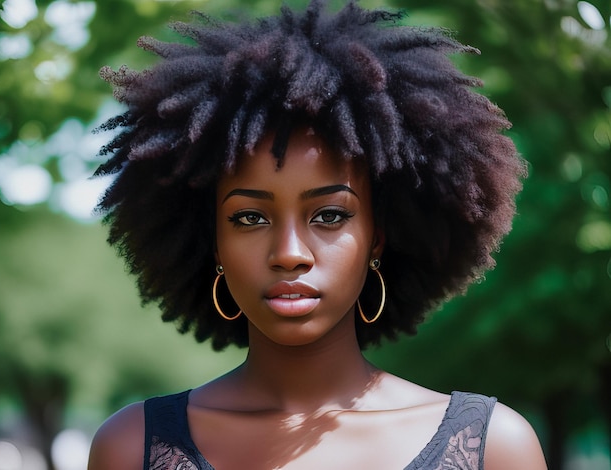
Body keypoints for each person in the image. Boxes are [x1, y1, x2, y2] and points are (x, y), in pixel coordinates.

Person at [87, 1, 547, 468]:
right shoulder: (130, 448)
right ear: (213, 243)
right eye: (249, 218)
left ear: (378, 236)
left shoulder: (493, 448)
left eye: (329, 216)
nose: (289, 254)